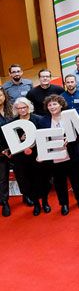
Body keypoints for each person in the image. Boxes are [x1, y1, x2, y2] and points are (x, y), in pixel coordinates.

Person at [39, 95, 79, 216]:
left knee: (76, 178)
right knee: (59, 182)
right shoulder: (43, 121)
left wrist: (70, 138)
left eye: (54, 104)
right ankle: (64, 203)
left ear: (61, 105)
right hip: (54, 156)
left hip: (71, 153)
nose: (52, 107)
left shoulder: (69, 117)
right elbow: (41, 139)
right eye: (49, 105)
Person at [11, 98, 47, 215]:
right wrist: (19, 140)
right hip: (22, 158)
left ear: (28, 107)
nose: (22, 110)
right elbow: (11, 142)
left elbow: (44, 137)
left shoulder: (38, 119)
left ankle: (45, 203)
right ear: (16, 109)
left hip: (37, 155)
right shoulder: (13, 123)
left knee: (41, 180)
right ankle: (36, 205)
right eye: (19, 108)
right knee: (29, 181)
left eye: (24, 107)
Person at [0, 88, 14, 217]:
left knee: (21, 175)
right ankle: (4, 202)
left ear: (4, 96)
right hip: (1, 152)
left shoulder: (11, 110)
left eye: (0, 95)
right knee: (2, 178)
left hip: (15, 149)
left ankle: (27, 196)